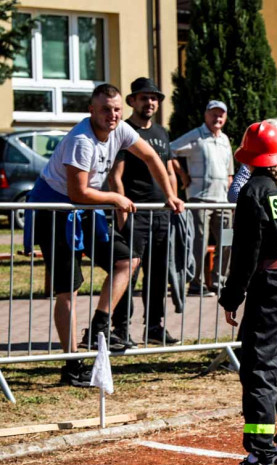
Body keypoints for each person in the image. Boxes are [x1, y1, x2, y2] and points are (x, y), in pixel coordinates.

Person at [23, 83, 184, 386]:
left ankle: (100, 323)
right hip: (56, 210)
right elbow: (77, 191)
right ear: (92, 111)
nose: (112, 115)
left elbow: (152, 158)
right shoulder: (80, 141)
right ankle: (72, 366)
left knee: (127, 259)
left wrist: (171, 195)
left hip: (85, 208)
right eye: (106, 109)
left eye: (116, 110)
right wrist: (115, 198)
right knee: (67, 289)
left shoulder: (121, 130)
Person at [217, 121, 277, 465]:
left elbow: (245, 253)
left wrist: (231, 296)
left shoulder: (253, 191)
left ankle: (260, 458)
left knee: (259, 366)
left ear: (248, 156)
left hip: (270, 286)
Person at [108, 77, 181, 347]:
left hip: (161, 214)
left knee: (159, 273)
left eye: (154, 98)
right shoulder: (124, 131)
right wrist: (122, 211)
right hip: (134, 213)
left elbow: (170, 171)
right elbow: (116, 176)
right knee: (129, 272)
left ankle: (155, 326)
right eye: (144, 97)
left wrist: (173, 198)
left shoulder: (161, 133)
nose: (150, 102)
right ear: (132, 101)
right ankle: (120, 328)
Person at [171, 100, 235, 297]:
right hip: (199, 199)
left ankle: (220, 282)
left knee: (227, 241)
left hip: (222, 200)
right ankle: (197, 284)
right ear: (206, 115)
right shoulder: (196, 136)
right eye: (214, 114)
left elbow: (230, 170)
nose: (217, 118)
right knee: (199, 243)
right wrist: (182, 175)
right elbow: (170, 149)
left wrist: (230, 191)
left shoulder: (224, 139)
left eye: (221, 115)